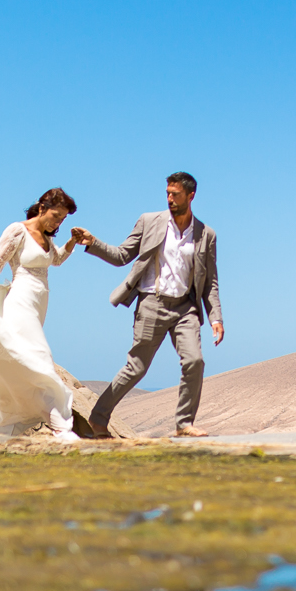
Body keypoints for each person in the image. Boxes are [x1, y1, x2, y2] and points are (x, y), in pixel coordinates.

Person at [74, 172, 224, 438]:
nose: (170, 199)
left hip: (185, 308)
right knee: (136, 368)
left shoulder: (206, 234)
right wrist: (93, 243)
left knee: (195, 361)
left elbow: (210, 281)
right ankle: (98, 418)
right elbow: (122, 256)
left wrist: (216, 317)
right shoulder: (150, 221)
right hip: (151, 303)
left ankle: (184, 424)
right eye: (167, 193)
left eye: (175, 194)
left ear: (191, 196)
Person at [0, 188, 84, 439]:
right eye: (56, 216)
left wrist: (71, 242)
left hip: (39, 302)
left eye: (62, 219)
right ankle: (59, 423)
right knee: (37, 355)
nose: (58, 222)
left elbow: (55, 260)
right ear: (41, 208)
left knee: (12, 358)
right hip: (20, 299)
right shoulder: (18, 230)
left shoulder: (47, 237)